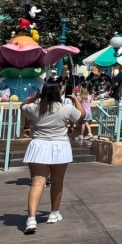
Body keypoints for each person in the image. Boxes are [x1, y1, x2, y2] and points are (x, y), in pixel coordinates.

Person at [20, 81, 83, 234]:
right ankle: (53, 214)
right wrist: (74, 98)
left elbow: (22, 106)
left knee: (36, 184)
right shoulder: (66, 108)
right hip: (60, 146)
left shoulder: (35, 108)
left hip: (39, 146)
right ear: (58, 93)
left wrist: (35, 97)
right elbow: (81, 115)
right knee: (57, 182)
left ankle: (31, 220)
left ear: (43, 93)